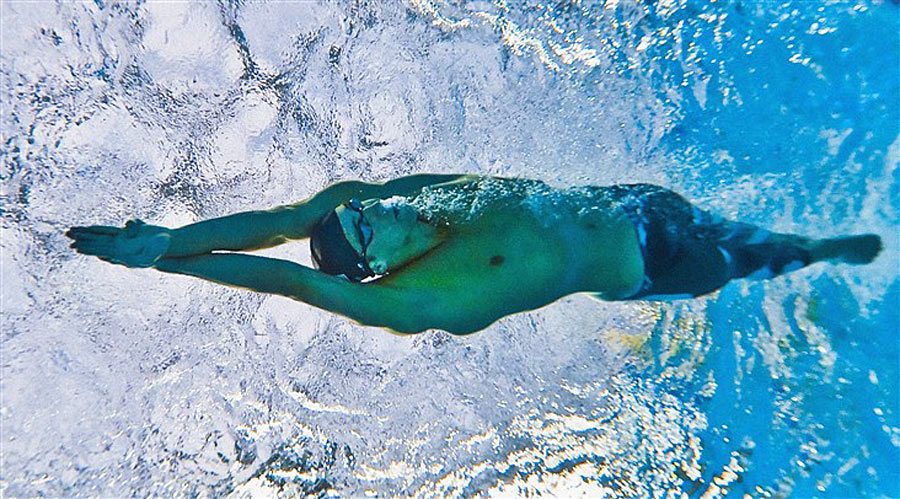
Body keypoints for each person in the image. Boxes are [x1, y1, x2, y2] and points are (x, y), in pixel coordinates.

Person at [66, 174, 882, 335]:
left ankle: (810, 246)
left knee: (749, 231)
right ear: (376, 267)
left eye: (361, 208)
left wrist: (167, 234)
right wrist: (165, 265)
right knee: (752, 262)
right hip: (649, 268)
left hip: (636, 202)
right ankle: (816, 260)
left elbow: (285, 222)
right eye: (365, 226)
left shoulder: (409, 200)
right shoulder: (415, 299)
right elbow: (281, 274)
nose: (374, 208)